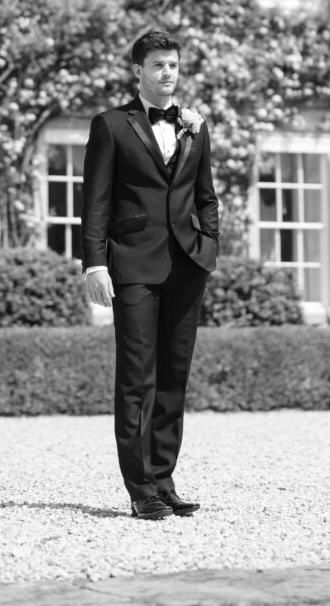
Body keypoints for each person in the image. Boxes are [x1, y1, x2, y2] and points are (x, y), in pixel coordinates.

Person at [81, 29, 218, 520]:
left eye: (174, 65)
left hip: (187, 265)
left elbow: (206, 195)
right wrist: (95, 262)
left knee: (174, 378)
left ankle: (164, 480)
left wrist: (210, 245)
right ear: (138, 70)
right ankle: (140, 491)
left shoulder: (196, 127)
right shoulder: (111, 125)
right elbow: (95, 199)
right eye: (158, 65)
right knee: (137, 378)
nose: (167, 74)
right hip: (133, 265)